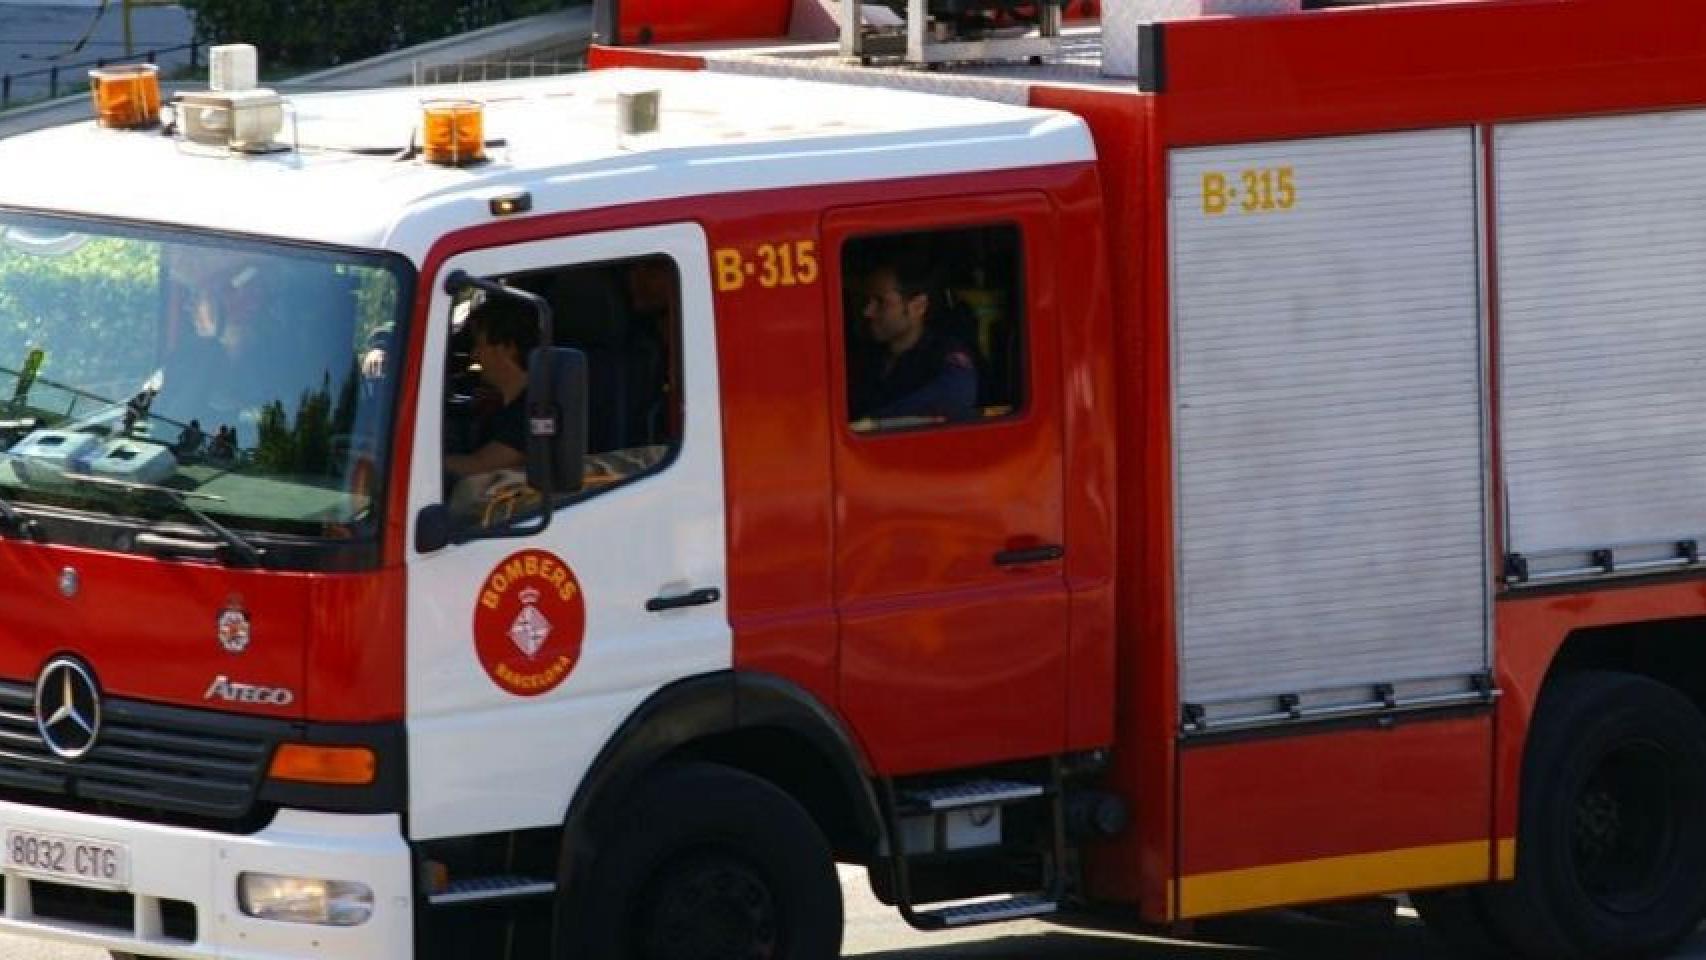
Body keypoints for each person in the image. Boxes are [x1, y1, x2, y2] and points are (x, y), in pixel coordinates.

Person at [849, 259, 977, 425]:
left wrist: (876, 423)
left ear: (918, 306)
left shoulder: (943, 354)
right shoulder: (865, 355)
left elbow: (956, 395)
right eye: (867, 301)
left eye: (880, 302)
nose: (867, 312)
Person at [445, 294, 538, 480]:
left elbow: (479, 466)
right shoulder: (503, 405)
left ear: (507, 348)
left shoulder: (534, 410)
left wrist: (411, 462)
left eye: (479, 345)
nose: (474, 355)